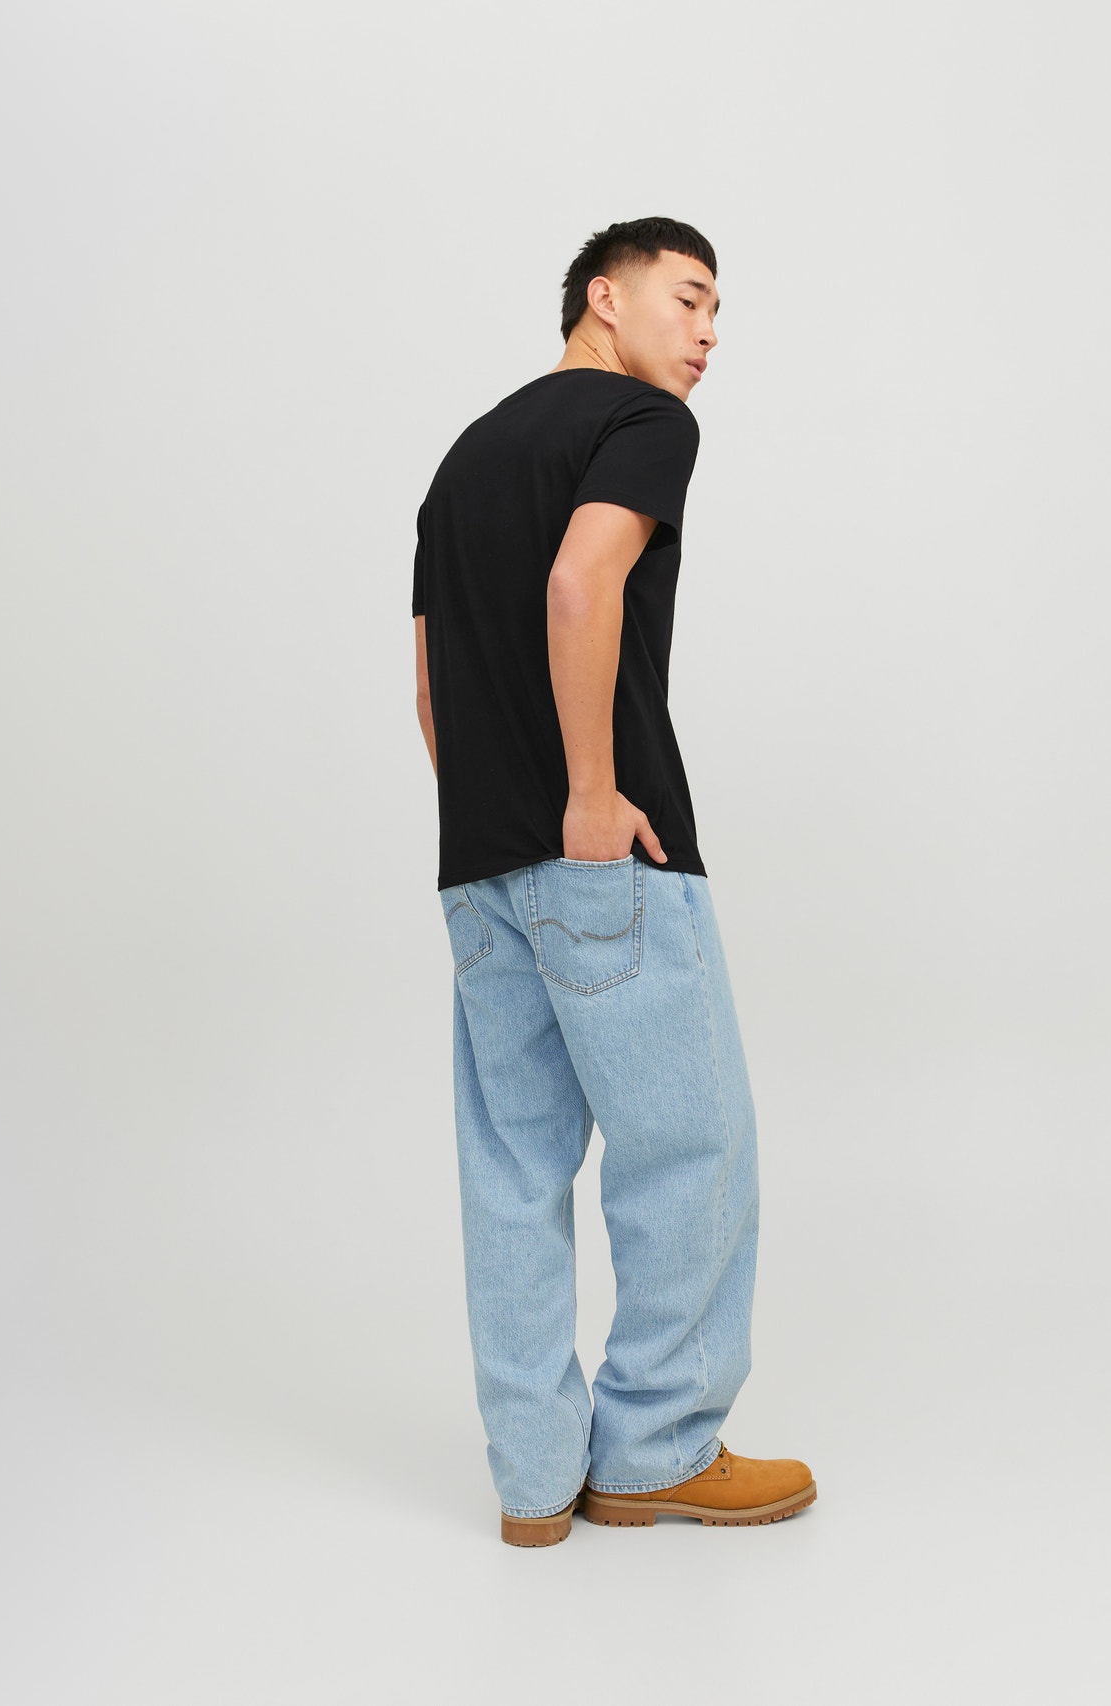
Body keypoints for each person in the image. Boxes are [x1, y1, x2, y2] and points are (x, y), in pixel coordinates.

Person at [411, 217, 815, 1546]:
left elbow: (430, 683)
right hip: (610, 858)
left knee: (512, 1169)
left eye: (718, 315)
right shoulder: (640, 422)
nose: (707, 335)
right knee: (691, 1150)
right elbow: (582, 583)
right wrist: (588, 792)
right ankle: (656, 1448)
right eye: (689, 299)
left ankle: (535, 1481)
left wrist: (495, 823)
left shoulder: (464, 458)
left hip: (481, 869)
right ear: (605, 296)